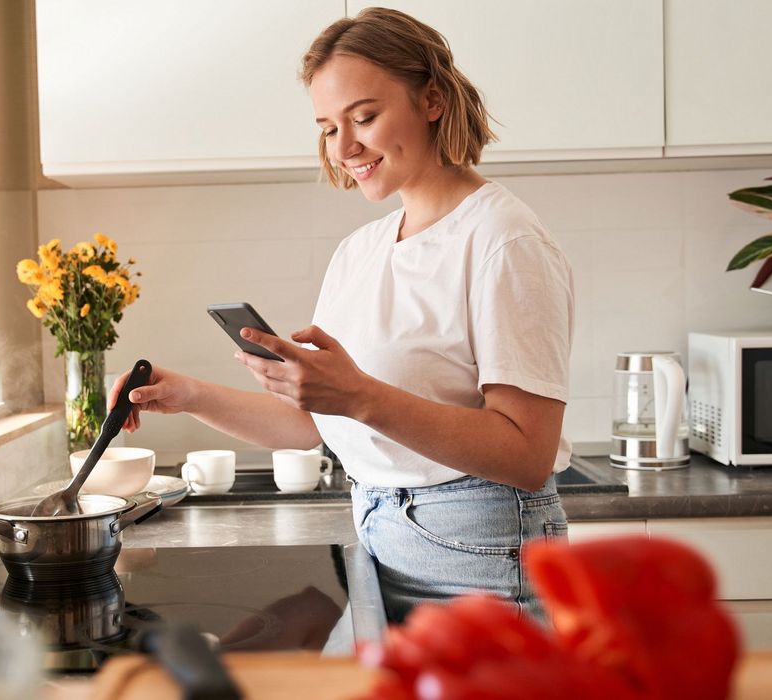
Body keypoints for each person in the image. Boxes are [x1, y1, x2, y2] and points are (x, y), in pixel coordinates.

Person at [109, 7, 573, 623]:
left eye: (365, 117)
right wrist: (188, 394)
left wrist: (357, 396)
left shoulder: (502, 240)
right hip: (384, 536)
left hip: (482, 549)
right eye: (328, 127)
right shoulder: (361, 250)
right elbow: (316, 426)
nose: (345, 146)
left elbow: (526, 452)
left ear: (432, 100)